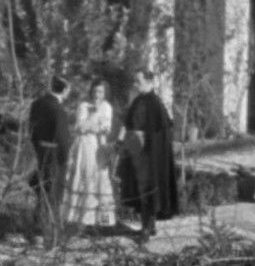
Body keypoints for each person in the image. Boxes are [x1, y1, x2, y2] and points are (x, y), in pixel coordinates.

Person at [117, 70, 179, 240]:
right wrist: (121, 143)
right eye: (135, 81)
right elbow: (129, 124)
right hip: (138, 153)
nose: (135, 84)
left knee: (148, 191)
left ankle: (147, 228)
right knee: (140, 189)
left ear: (149, 81)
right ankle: (149, 225)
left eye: (138, 81)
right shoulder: (138, 100)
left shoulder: (155, 103)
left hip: (150, 157)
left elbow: (160, 133)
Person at [62, 79, 118, 229]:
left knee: (99, 178)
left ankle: (100, 220)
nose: (97, 94)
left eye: (100, 92)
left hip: (98, 146)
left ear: (105, 93)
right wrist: (93, 119)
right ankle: (79, 219)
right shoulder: (83, 105)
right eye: (95, 91)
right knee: (83, 175)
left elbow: (106, 128)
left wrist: (93, 124)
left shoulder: (107, 107)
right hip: (83, 144)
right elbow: (79, 127)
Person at [27, 75, 72, 247]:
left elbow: (31, 131)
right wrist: (66, 158)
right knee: (52, 194)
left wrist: (38, 147)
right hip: (54, 154)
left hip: (40, 150)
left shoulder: (36, 104)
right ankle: (48, 235)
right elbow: (62, 137)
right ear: (65, 89)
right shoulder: (58, 108)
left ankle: (38, 233)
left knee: (41, 191)